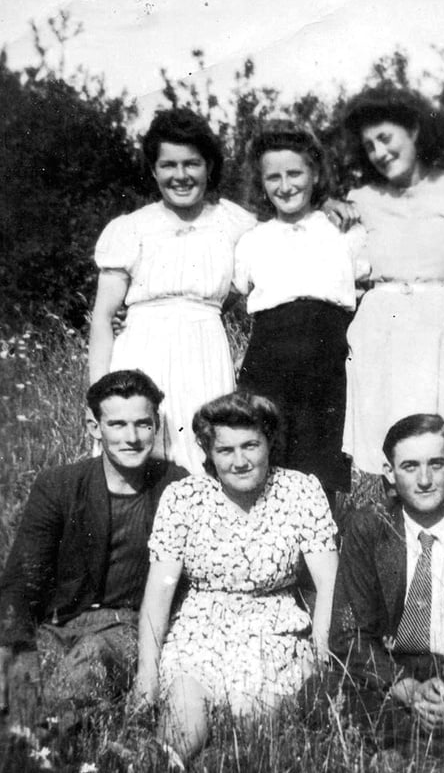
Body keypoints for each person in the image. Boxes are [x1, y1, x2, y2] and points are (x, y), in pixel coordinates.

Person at [302, 413, 444, 756]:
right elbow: (348, 634)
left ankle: (425, 733)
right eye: (410, 466)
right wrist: (405, 689)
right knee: (317, 694)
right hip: (393, 668)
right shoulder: (369, 526)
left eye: (436, 464)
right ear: (389, 472)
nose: (425, 479)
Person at [134, 391, 338, 763]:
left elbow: (329, 585)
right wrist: (145, 678)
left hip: (276, 631)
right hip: (199, 631)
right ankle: (153, 765)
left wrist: (325, 661)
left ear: (269, 443)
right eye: (226, 450)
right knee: (184, 723)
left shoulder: (301, 490)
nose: (240, 461)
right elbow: (158, 595)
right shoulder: (183, 497)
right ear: (208, 452)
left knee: (256, 732)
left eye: (251, 446)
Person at [0, 370, 187, 728]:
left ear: (156, 425)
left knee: (91, 660)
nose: (131, 438)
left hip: (128, 627)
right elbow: (22, 579)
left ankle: (45, 738)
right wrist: (10, 646)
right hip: (59, 623)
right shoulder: (59, 485)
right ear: (93, 426)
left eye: (143, 425)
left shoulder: (176, 485)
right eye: (116, 424)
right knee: (21, 678)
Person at [89, 107, 256, 473]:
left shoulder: (233, 222)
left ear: (209, 166)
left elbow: (273, 265)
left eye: (192, 164)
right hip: (141, 352)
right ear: (153, 169)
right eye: (168, 165)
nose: (180, 176)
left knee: (206, 459)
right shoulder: (132, 228)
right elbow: (102, 317)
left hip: (205, 354)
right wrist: (99, 395)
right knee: (138, 455)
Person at [340, 85, 444, 496]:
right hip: (384, 329)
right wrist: (333, 209)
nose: (379, 152)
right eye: (369, 145)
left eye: (386, 138)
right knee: (394, 434)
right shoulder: (360, 198)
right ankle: (400, 544)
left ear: (415, 130)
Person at [234, 121, 369, 504]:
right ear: (261, 183)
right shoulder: (252, 241)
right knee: (265, 458)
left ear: (314, 174)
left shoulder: (344, 232)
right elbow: (225, 296)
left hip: (325, 363)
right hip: (268, 362)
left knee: (319, 468)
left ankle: (318, 559)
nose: (285, 185)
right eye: (273, 177)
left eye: (295, 173)